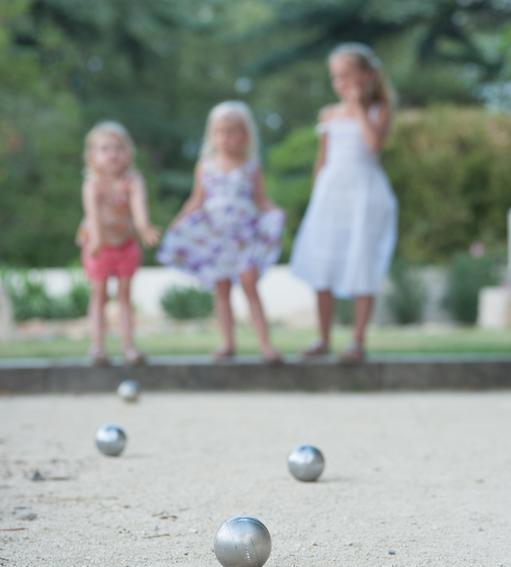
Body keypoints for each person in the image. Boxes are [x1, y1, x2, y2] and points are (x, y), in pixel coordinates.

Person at [290, 43, 397, 362]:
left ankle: (357, 340)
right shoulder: (328, 114)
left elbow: (373, 145)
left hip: (364, 196)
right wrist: (315, 197)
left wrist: (359, 108)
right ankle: (322, 337)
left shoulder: (380, 111)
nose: (341, 83)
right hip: (331, 198)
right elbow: (321, 161)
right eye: (336, 77)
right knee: (324, 264)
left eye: (347, 76)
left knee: (362, 262)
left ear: (366, 76)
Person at [157, 101, 284, 363]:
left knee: (250, 284)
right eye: (220, 131)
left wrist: (275, 213)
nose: (226, 138)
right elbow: (197, 199)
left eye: (232, 131)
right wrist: (180, 220)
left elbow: (261, 199)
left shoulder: (251, 166)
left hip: (244, 236)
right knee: (221, 288)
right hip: (216, 236)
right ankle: (227, 342)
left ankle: (265, 344)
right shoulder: (206, 166)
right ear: (212, 135)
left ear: (245, 135)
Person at [77, 121, 160, 365]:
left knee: (124, 296)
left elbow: (139, 209)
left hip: (125, 245)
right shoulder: (93, 183)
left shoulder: (133, 180)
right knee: (99, 295)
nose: (113, 153)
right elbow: (91, 215)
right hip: (98, 245)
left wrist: (144, 228)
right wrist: (97, 239)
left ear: (128, 153)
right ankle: (98, 347)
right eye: (105, 149)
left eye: (118, 148)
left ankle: (128, 347)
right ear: (92, 156)